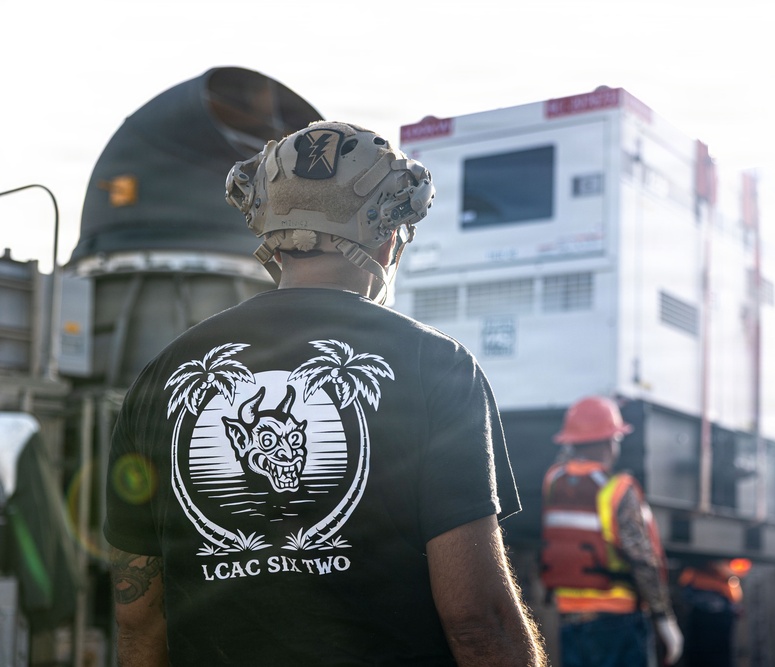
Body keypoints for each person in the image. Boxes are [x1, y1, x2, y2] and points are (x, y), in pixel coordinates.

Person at [103, 120, 547, 666]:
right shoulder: (435, 366)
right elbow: (478, 623)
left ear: (274, 235)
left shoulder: (159, 378)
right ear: (389, 237)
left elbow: (138, 620)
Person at [540, 396, 683, 666]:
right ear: (610, 441)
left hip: (569, 621)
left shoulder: (553, 482)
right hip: (616, 623)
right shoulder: (617, 490)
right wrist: (664, 618)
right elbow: (642, 558)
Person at [677, 561, 743, 667]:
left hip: (718, 627)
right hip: (701, 625)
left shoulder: (727, 582)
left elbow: (736, 598)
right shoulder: (693, 576)